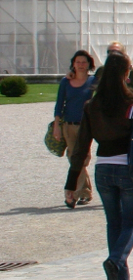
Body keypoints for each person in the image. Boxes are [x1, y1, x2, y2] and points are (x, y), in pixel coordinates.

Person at [67, 52, 133, 280]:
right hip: (128, 167)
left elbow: (81, 148)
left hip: (103, 168)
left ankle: (121, 277)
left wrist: (70, 182)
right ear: (126, 74)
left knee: (114, 222)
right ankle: (115, 260)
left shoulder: (92, 105)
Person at [54, 49, 97, 208]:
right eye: (77, 62)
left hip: (85, 126)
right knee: (74, 158)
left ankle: (78, 191)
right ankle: (83, 192)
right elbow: (59, 105)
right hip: (68, 125)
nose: (80, 65)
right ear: (73, 64)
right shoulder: (66, 82)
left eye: (83, 62)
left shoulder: (93, 81)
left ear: (89, 65)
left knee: (82, 159)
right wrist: (57, 127)